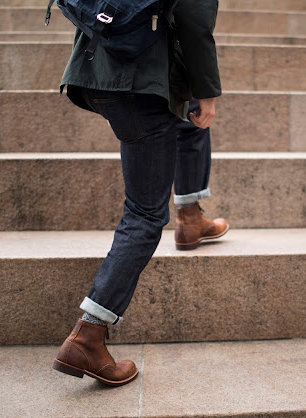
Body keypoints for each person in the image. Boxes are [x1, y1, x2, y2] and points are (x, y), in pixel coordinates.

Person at [52, 0, 228, 387]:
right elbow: (196, 23)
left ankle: (191, 215)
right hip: (141, 81)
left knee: (181, 117)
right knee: (146, 216)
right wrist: (208, 91)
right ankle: (88, 335)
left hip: (98, 71)